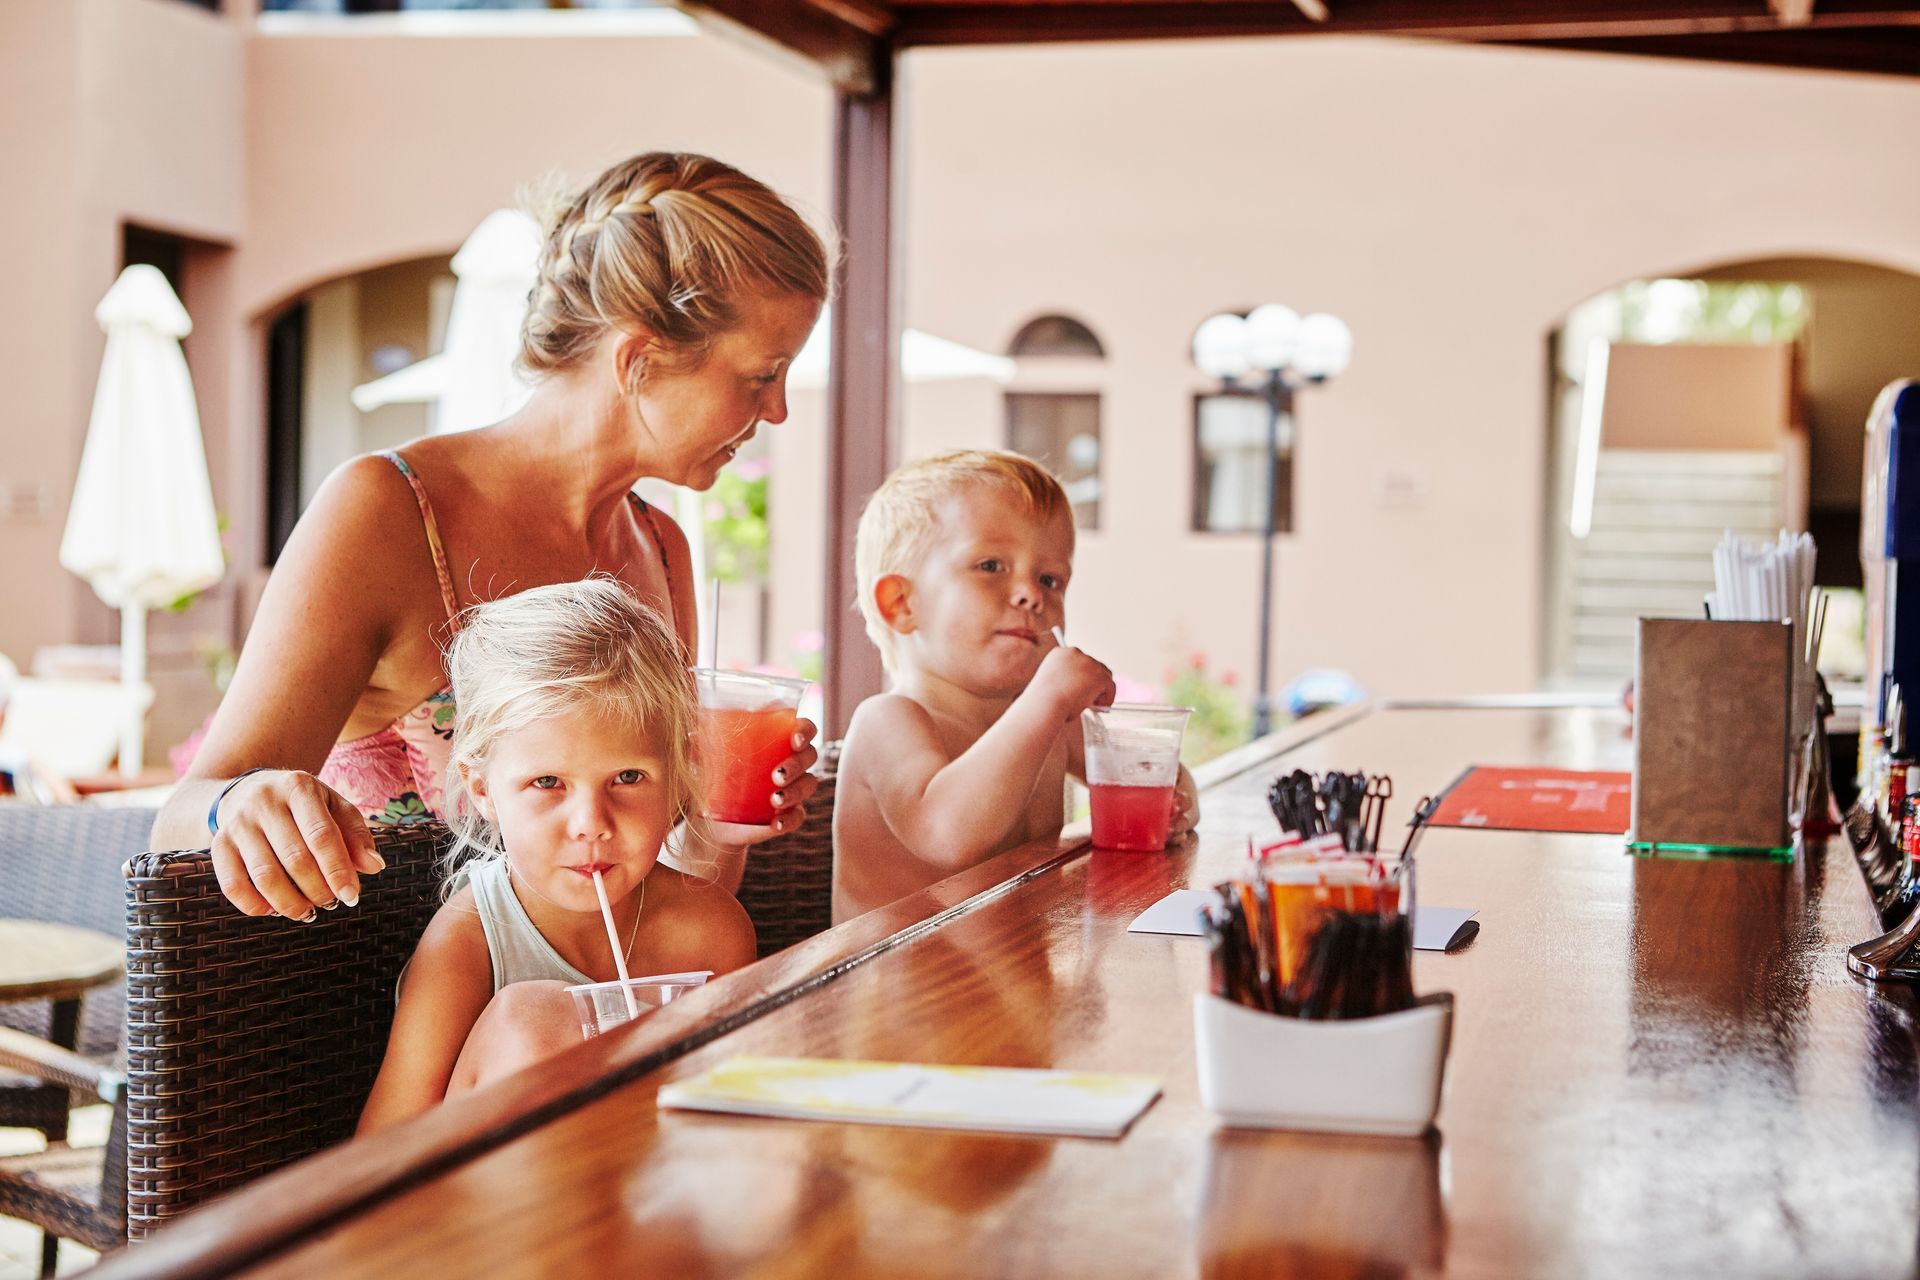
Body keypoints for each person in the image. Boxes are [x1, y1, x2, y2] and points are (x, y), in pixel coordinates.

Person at [149, 152, 832, 918]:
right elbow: (180, 818)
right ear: (639, 360)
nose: (776, 411)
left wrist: (720, 819)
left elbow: (669, 895)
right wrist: (238, 806)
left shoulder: (661, 547)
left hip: (584, 1020)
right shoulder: (387, 513)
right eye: (761, 375)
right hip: (360, 1019)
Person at [358, 579, 755, 1134]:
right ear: (482, 790)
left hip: (658, 1199)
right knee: (536, 1018)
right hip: (488, 1212)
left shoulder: (708, 932)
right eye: (547, 782)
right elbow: (380, 1154)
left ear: (678, 774)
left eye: (628, 777)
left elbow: (735, 1120)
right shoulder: (468, 942)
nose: (592, 823)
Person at [831, 450, 1199, 923]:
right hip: (888, 986)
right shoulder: (890, 720)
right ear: (902, 603)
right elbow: (947, 834)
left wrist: (1172, 809)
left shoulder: (1049, 724)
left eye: (1050, 579)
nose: (1032, 594)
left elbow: (1165, 777)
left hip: (1014, 974)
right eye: (990, 566)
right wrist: (1047, 701)